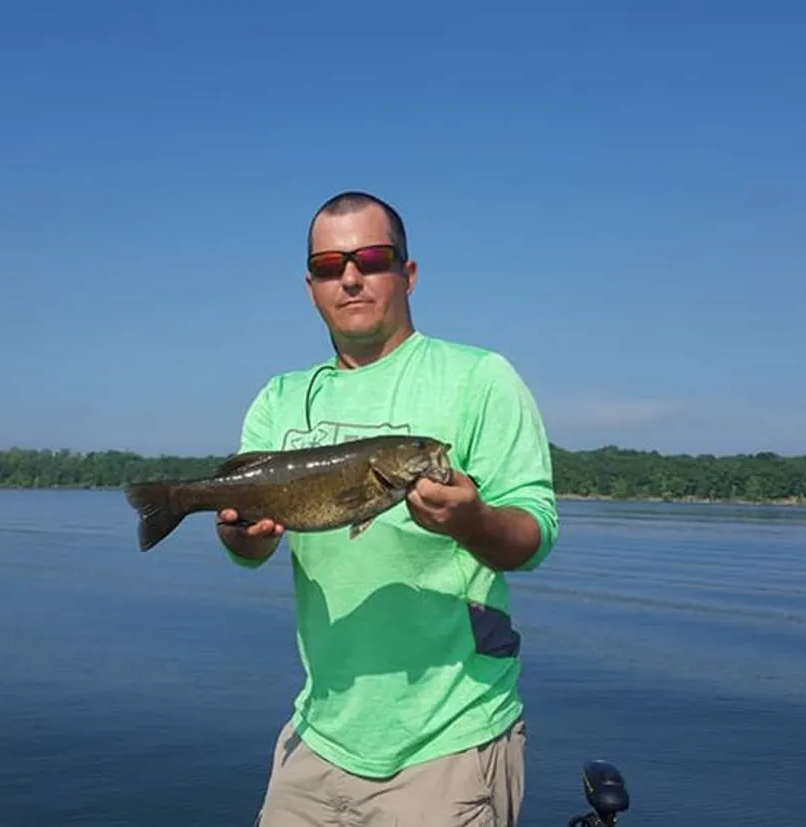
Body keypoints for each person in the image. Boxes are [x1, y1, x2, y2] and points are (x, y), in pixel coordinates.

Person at [215, 190, 559, 827]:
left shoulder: (480, 378)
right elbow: (248, 550)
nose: (350, 277)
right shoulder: (278, 398)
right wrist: (244, 536)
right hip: (315, 738)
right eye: (329, 266)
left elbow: (534, 534)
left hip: (448, 746)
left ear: (409, 273)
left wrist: (474, 522)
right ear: (311, 287)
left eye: (371, 259)